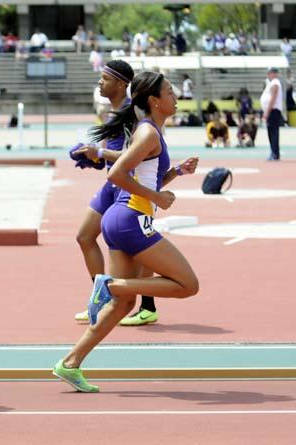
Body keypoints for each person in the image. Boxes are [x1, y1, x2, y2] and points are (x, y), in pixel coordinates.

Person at [54, 71, 200, 392]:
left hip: (124, 219)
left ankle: (70, 363)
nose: (176, 97)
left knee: (122, 307)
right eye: (170, 93)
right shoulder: (148, 134)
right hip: (130, 219)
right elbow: (117, 174)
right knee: (188, 284)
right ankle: (111, 285)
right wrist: (158, 198)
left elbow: (148, 180)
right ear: (155, 101)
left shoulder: (150, 132)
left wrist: (176, 172)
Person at [73, 61, 159, 327]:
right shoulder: (111, 114)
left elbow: (138, 155)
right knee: (84, 236)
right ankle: (99, 300)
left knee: (137, 249)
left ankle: (148, 306)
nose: (99, 83)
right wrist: (91, 157)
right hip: (111, 185)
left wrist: (98, 153)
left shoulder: (133, 115)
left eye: (104, 78)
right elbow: (111, 155)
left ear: (121, 84)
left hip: (131, 187)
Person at [261, 67, 284, 160]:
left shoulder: (275, 83)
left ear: (274, 73)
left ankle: (275, 153)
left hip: (273, 110)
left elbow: (273, 98)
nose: (268, 75)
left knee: (273, 132)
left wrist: (267, 111)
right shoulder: (271, 83)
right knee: (271, 132)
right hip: (271, 110)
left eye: (269, 73)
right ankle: (274, 152)